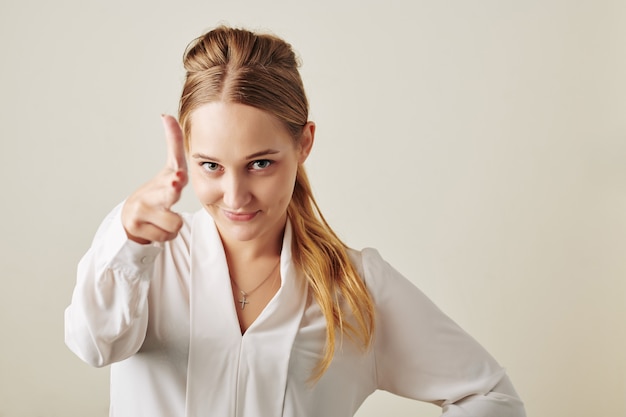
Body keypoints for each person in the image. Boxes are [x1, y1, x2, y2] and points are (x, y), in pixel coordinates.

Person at [64, 26, 526, 417]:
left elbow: (494, 397)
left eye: (260, 164)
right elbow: (92, 345)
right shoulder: (141, 250)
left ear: (303, 144)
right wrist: (128, 243)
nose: (235, 196)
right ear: (187, 150)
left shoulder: (354, 287)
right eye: (210, 166)